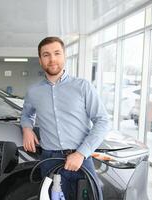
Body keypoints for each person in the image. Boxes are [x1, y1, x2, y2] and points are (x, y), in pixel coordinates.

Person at [20, 36, 109, 200]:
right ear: (40, 60)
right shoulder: (34, 91)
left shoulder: (83, 86)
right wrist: (27, 128)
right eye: (46, 55)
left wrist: (81, 154)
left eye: (57, 53)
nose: (52, 59)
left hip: (81, 159)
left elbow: (102, 121)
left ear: (64, 56)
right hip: (49, 161)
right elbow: (26, 114)